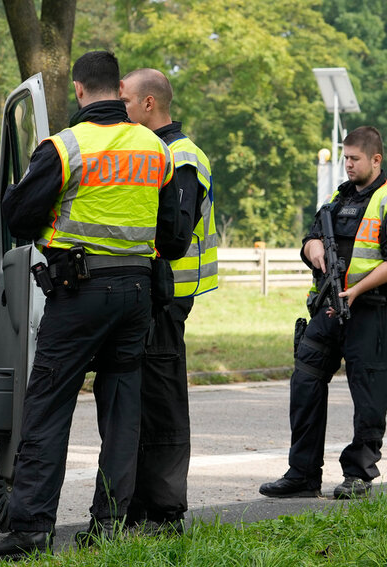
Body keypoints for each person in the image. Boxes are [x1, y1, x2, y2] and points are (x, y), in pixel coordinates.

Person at [0, 51, 187, 558]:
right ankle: (109, 525)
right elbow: (175, 236)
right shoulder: (156, 149)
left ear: (78, 91)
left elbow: (19, 218)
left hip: (78, 294)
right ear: (119, 89)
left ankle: (32, 529)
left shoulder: (65, 147)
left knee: (48, 408)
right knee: (122, 414)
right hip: (137, 295)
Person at [259, 126, 387, 500]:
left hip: (369, 313)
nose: (347, 165)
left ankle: (358, 475)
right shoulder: (337, 199)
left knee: (370, 397)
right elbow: (312, 236)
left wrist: (358, 288)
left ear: (375, 160)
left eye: (354, 159)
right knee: (304, 386)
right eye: (345, 158)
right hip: (327, 310)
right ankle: (302, 475)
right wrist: (312, 248)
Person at [119, 68, 217, 533]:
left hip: (166, 295)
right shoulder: (157, 151)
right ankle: (139, 507)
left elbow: (174, 236)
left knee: (162, 403)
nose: (121, 110)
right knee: (140, 400)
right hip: (149, 292)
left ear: (149, 105)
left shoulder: (181, 156)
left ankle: (164, 513)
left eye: (126, 102)